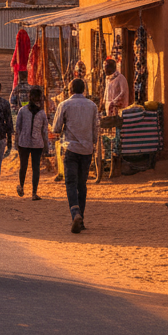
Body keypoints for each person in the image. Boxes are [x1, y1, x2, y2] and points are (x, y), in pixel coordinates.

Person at [51, 78, 100, 234]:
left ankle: (75, 214)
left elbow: (56, 128)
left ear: (70, 90)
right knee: (82, 184)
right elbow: (95, 128)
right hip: (87, 150)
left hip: (71, 149)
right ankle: (81, 220)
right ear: (83, 90)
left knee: (71, 183)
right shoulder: (92, 106)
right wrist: (93, 144)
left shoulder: (64, 105)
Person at [15, 86, 49, 200]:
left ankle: (21, 186)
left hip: (23, 142)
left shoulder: (23, 110)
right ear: (39, 98)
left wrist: (16, 142)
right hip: (37, 143)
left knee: (23, 166)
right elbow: (45, 131)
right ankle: (34, 193)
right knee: (36, 167)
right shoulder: (42, 113)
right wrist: (46, 146)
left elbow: (18, 128)